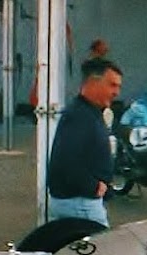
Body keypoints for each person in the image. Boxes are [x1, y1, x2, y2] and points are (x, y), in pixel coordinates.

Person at [48, 58, 122, 227]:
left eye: (118, 86)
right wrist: (94, 186)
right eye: (112, 85)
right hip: (80, 204)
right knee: (104, 252)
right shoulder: (79, 116)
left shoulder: (88, 112)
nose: (116, 92)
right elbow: (65, 160)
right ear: (92, 82)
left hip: (78, 202)